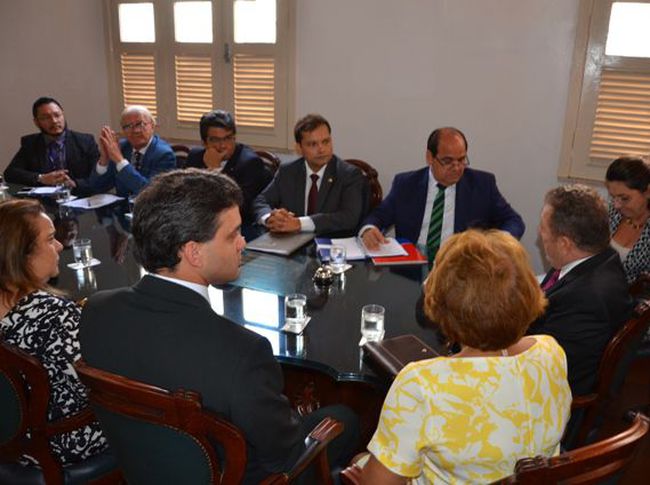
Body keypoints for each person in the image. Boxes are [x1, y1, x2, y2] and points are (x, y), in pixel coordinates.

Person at [79, 169, 358, 483]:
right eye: (232, 235)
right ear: (194, 252)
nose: (243, 243)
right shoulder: (242, 352)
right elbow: (285, 453)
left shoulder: (96, 310)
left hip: (142, 466)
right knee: (344, 418)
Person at [361, 230, 571, 484]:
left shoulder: (422, 385)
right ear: (526, 293)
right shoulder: (551, 351)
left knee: (355, 461)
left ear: (441, 304)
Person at [0, 199, 107, 466]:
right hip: (55, 445)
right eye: (50, 239)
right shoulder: (54, 315)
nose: (60, 245)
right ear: (21, 254)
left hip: (10, 440)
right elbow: (96, 389)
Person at [360, 127, 524, 263]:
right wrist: (369, 230)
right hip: (413, 268)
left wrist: (497, 243)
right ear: (430, 158)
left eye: (461, 160)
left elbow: (514, 221)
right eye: (448, 161)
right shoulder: (406, 184)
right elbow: (378, 216)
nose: (457, 167)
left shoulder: (482, 185)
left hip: (461, 267)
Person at [530, 184, 635, 396]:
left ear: (565, 243)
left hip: (549, 394)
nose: (540, 234)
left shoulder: (586, 299)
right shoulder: (601, 257)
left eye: (543, 228)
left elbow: (543, 366)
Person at [252, 114, 367, 236]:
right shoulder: (287, 172)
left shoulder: (349, 175)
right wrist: (270, 218)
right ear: (299, 148)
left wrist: (299, 223)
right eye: (313, 144)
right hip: (291, 242)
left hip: (330, 243)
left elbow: (349, 217)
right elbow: (260, 201)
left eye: (326, 142)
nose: (321, 149)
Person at [186, 110, 273, 222]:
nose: (223, 145)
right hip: (199, 221)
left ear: (234, 137)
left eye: (227, 138)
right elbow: (185, 196)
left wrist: (215, 170)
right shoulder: (195, 156)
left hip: (239, 224)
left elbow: (239, 208)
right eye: (215, 140)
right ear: (204, 142)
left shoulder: (249, 163)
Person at [4, 97, 99, 195]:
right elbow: (10, 173)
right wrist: (41, 178)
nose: (54, 121)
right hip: (44, 200)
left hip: (79, 198)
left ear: (63, 115)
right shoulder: (31, 144)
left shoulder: (85, 141)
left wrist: (75, 184)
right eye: (46, 118)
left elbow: (98, 176)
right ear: (36, 122)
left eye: (57, 115)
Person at [90, 105, 176, 197]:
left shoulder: (164, 154)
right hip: (123, 205)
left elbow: (150, 193)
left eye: (139, 124)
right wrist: (104, 160)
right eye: (128, 126)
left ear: (152, 125)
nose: (135, 130)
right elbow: (97, 187)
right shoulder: (121, 147)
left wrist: (120, 161)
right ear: (123, 131)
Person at [605, 156, 650, 284]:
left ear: (647, 192)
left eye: (624, 198)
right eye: (613, 197)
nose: (616, 205)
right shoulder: (610, 213)